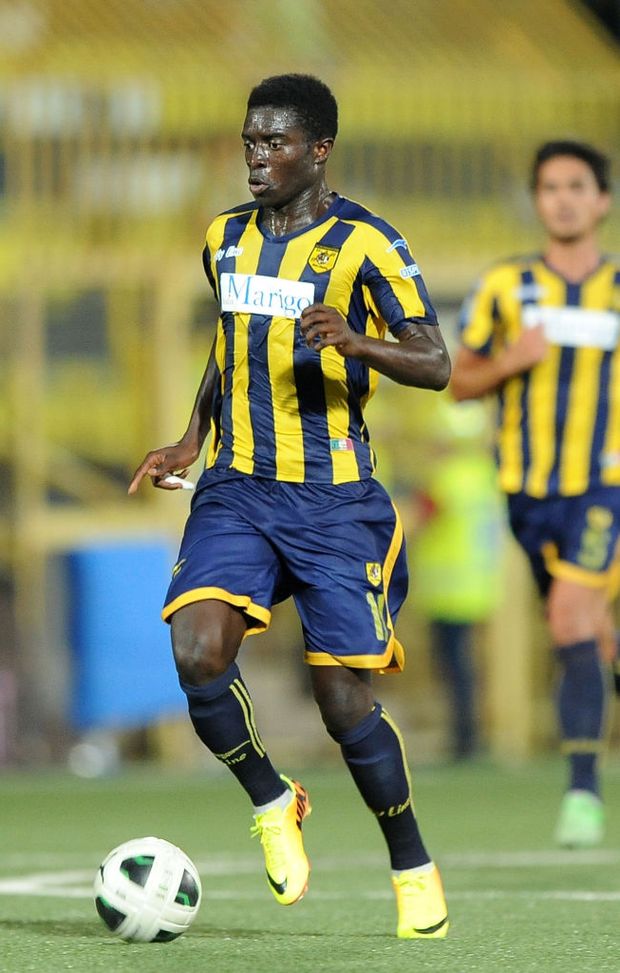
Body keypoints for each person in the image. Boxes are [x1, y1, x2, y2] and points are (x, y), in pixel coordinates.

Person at [129, 74, 451, 938]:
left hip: (335, 501)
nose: (257, 157)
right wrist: (191, 437)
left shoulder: (368, 244)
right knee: (197, 651)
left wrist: (357, 340)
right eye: (249, 141)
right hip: (236, 487)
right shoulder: (224, 239)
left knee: (342, 702)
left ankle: (411, 859)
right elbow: (230, 342)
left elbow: (435, 361)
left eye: (275, 142)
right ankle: (273, 800)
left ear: (319, 150)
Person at [451, 139, 619, 848]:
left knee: (568, 614)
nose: (564, 198)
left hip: (604, 485)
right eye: (550, 186)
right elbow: (459, 381)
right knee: (590, 634)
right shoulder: (504, 286)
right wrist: (511, 360)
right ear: (537, 199)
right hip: (527, 495)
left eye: (577, 185)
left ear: (603, 201)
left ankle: (582, 794)